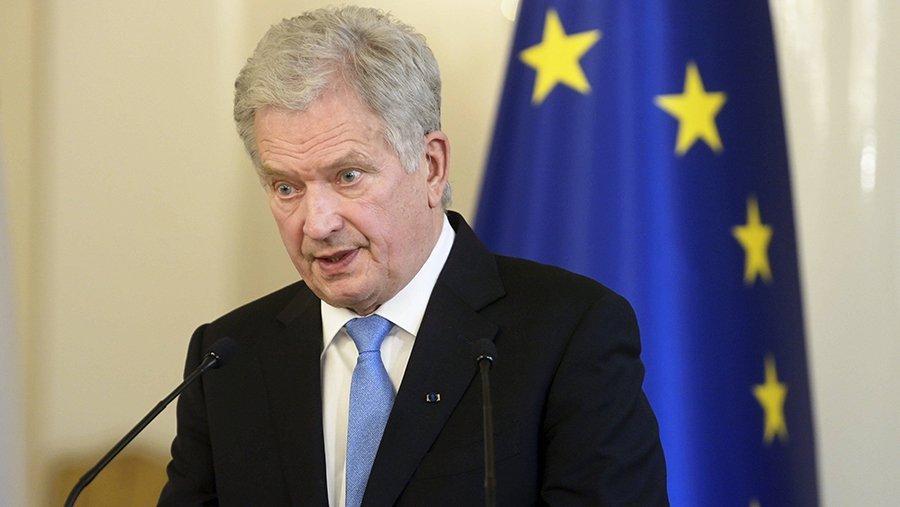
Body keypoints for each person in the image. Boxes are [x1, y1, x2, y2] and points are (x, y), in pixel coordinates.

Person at [159, 6, 667, 506]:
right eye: (286, 187)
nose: (317, 223)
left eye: (348, 176)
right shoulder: (226, 358)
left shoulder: (569, 334)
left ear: (431, 166)